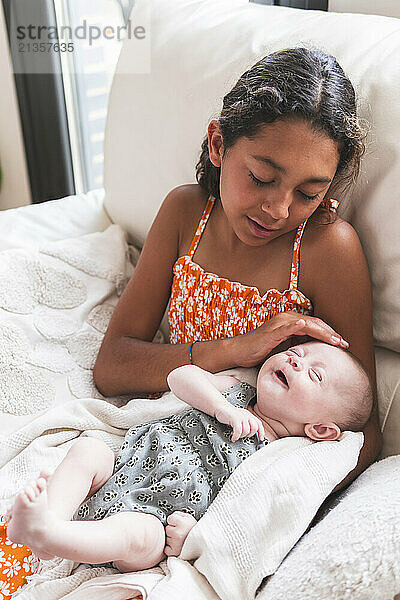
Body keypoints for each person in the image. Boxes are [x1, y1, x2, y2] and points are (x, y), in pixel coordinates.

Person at [92, 47, 382, 489]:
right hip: (151, 436)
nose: (278, 209)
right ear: (218, 144)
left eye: (308, 193)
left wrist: (257, 497)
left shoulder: (328, 249)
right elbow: (112, 365)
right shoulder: (185, 213)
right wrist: (237, 348)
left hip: (238, 472)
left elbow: (361, 428)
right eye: (262, 177)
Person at [6, 341, 373, 571]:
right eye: (299, 351)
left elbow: (248, 518)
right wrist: (221, 409)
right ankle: (48, 520)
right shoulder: (235, 389)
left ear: (320, 429)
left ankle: (54, 534)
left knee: (137, 540)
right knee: (89, 449)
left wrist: (198, 537)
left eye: (314, 374)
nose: (295, 360)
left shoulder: (281, 457)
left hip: (156, 516)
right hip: (123, 466)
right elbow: (180, 377)